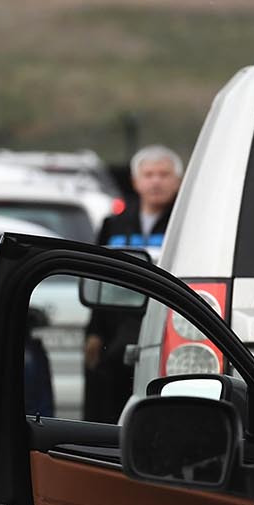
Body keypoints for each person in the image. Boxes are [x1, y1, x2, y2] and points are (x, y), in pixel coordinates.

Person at [82, 144, 184, 423]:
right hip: (116, 325)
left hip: (165, 319)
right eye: (149, 174)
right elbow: (99, 279)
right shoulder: (114, 225)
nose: (156, 181)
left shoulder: (186, 223)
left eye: (164, 175)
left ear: (178, 182)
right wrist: (94, 331)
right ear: (135, 181)